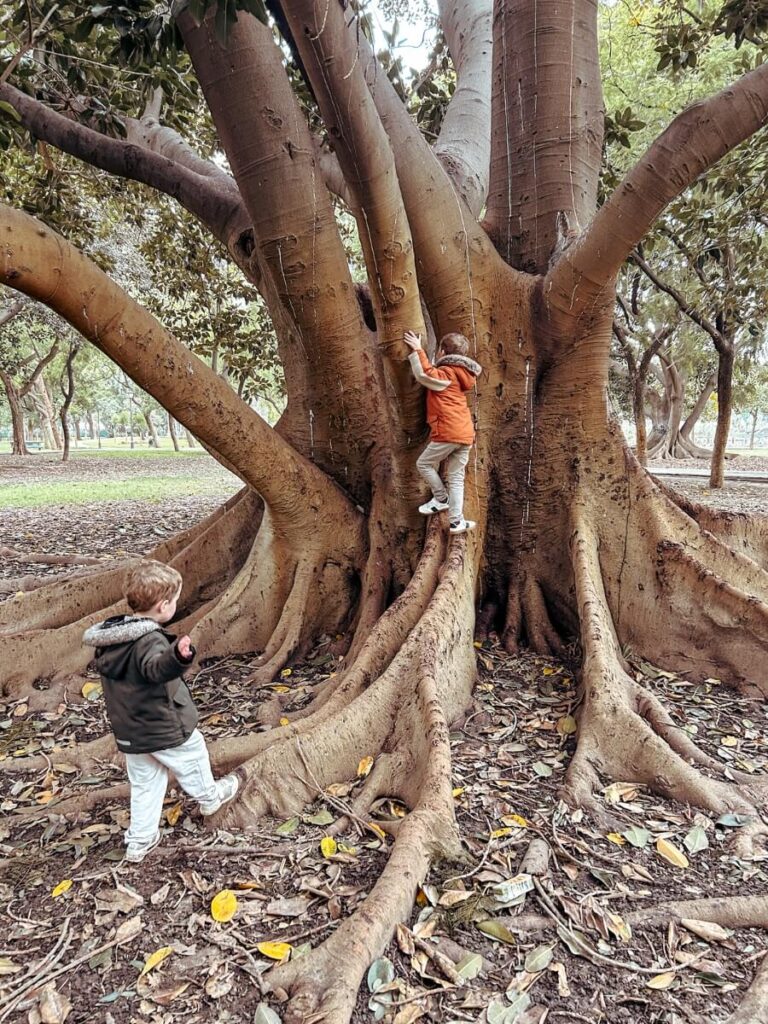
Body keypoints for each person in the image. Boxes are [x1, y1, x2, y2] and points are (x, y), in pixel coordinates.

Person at [83, 559, 239, 864]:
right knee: (194, 758)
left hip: (132, 733)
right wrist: (178, 657)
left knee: (146, 783)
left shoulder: (113, 639)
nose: (176, 605)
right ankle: (210, 798)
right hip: (163, 726)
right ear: (163, 605)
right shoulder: (149, 640)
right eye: (176, 600)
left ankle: (140, 840)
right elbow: (156, 669)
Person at [404, 329, 482, 533]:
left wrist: (417, 349)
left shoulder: (447, 373)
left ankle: (440, 498)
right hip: (465, 434)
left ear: (442, 352)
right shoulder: (461, 373)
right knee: (456, 478)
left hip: (449, 432)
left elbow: (424, 374)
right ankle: (456, 522)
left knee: (424, 463)